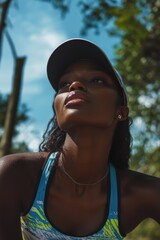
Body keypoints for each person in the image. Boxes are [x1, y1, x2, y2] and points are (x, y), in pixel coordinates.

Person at [0, 38, 159, 240]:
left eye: (97, 80)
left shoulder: (141, 193)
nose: (75, 85)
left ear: (121, 112)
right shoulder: (14, 175)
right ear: (57, 108)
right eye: (64, 84)